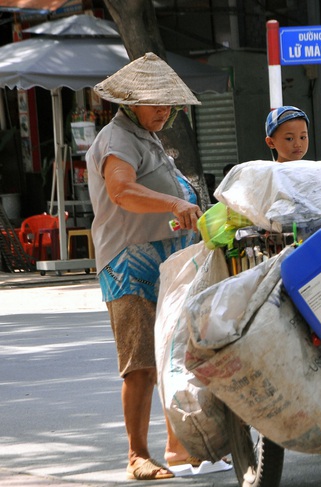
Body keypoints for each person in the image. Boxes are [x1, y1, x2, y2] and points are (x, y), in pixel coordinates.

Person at [86, 53, 204, 480]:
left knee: (172, 354)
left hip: (164, 261)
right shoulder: (118, 138)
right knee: (141, 365)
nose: (163, 110)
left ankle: (176, 446)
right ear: (130, 102)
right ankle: (137, 455)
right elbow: (121, 191)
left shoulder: (147, 138)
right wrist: (175, 201)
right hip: (128, 263)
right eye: (155, 102)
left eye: (169, 103)